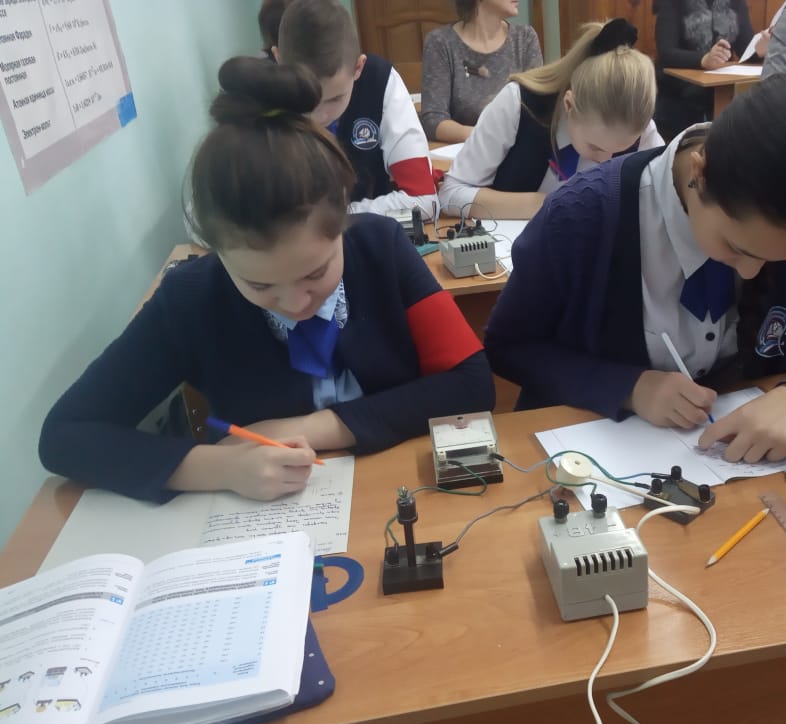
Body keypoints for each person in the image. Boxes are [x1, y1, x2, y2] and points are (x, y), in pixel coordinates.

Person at [38, 57, 494, 503]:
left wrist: (311, 429)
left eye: (315, 273)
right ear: (215, 250)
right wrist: (221, 468)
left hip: (396, 489)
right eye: (259, 285)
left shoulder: (382, 247)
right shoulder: (190, 299)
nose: (295, 303)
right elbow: (65, 435)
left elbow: (473, 383)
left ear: (343, 215)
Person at [483, 75, 786, 463]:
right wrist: (628, 387)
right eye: (737, 247)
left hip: (750, 478)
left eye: (783, 259)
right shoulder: (581, 216)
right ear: (699, 173)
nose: (751, 272)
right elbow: (510, 345)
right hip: (598, 470)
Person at [438, 19, 664, 220]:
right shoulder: (519, 104)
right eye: (595, 147)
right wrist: (549, 203)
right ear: (569, 105)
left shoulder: (639, 124)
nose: (604, 160)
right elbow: (452, 193)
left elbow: (664, 196)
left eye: (620, 150)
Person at [275, 0, 438, 219]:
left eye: (335, 99)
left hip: (368, 233)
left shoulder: (380, 81)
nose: (320, 116)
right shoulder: (257, 95)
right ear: (278, 61)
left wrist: (333, 219)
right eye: (307, 100)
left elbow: (424, 200)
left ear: (358, 67)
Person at [421, 0, 543, 143]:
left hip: (518, 148)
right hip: (465, 151)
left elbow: (539, 110)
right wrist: (485, 137)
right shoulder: (440, 42)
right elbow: (433, 120)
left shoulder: (525, 38)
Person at [653, 0, 771, 138]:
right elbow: (666, 53)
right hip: (678, 92)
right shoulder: (672, 3)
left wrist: (760, 50)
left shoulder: (736, 2)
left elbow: (745, 49)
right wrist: (703, 59)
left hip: (722, 89)